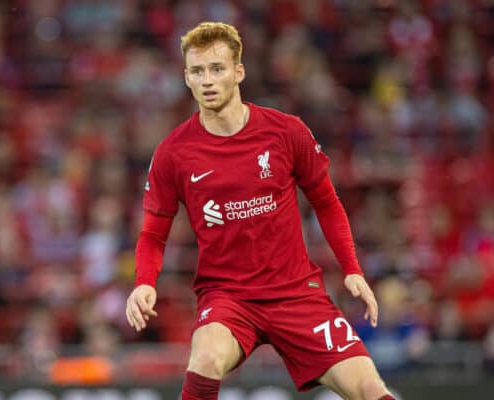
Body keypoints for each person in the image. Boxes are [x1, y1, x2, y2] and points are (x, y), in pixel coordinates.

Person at [125, 21, 395, 400]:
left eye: (217, 69)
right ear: (186, 77)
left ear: (239, 72)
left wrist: (351, 269)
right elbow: (153, 233)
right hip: (228, 297)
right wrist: (144, 282)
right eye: (197, 71)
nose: (207, 80)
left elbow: (326, 202)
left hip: (298, 293)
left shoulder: (286, 132)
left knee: (370, 388)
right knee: (204, 358)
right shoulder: (173, 153)